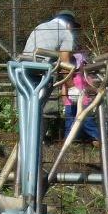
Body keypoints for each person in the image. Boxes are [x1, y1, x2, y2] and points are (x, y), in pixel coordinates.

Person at [22, 10, 80, 141]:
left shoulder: (40, 27)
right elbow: (65, 63)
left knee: (29, 108)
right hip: (43, 73)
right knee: (42, 109)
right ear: (69, 24)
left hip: (24, 70)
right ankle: (36, 143)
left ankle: (27, 143)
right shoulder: (66, 33)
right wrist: (71, 88)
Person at [63, 51, 101, 144]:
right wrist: (65, 100)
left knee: (87, 121)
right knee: (70, 122)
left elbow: (91, 87)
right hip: (70, 103)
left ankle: (96, 138)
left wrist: (93, 93)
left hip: (84, 102)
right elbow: (64, 88)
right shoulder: (68, 77)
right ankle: (69, 141)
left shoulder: (85, 76)